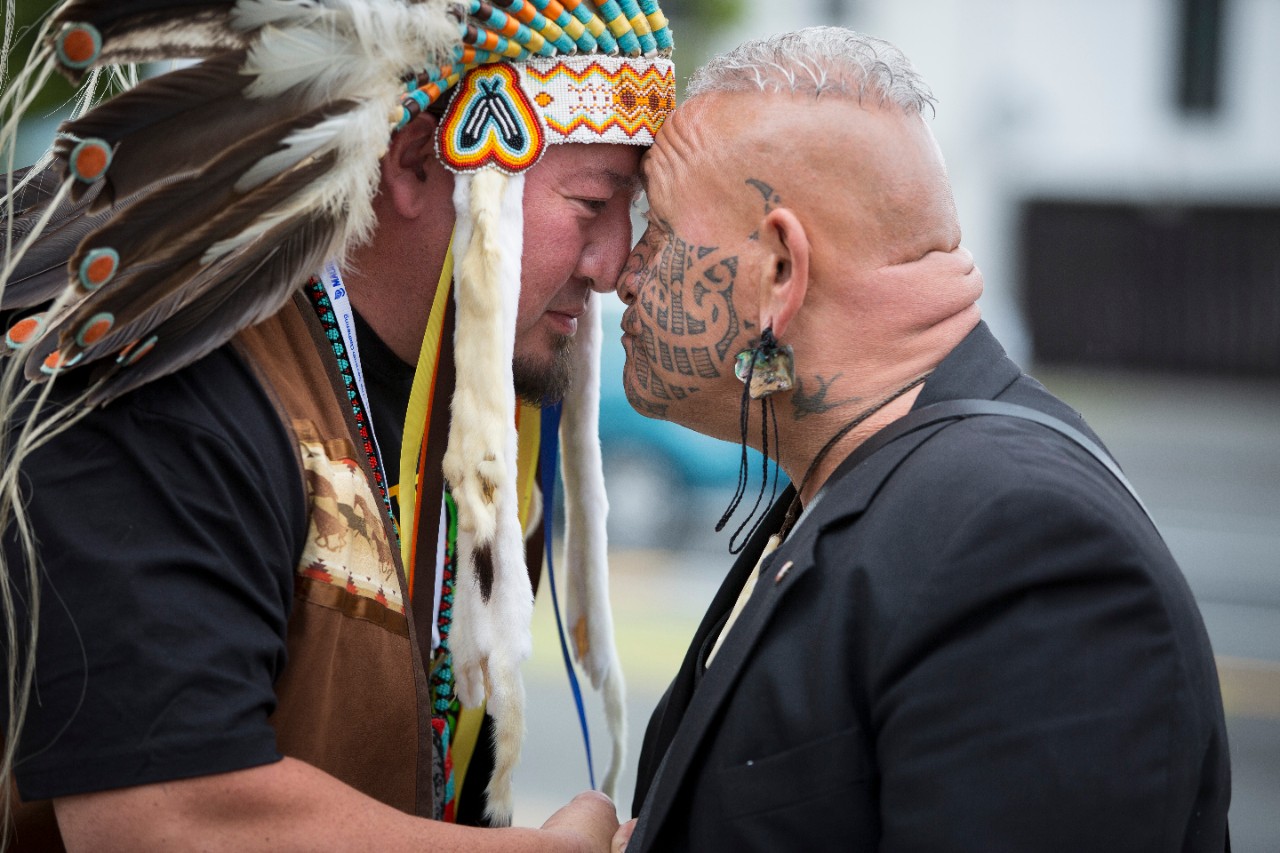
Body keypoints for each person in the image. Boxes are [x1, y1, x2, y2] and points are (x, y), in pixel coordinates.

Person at [0, 1, 676, 850]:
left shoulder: (486, 423)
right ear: (417, 162)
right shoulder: (168, 375)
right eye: (590, 204)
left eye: (633, 214)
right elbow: (164, 819)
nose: (613, 264)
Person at [613, 27, 1230, 853]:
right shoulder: (891, 480)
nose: (621, 270)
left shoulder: (1024, 545)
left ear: (780, 273)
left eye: (656, 229)